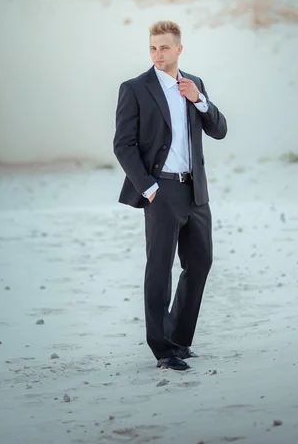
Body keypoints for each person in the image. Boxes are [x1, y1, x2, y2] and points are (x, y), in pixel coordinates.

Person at [113, 20, 227, 371]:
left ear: (179, 49)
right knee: (159, 269)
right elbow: (123, 145)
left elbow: (219, 130)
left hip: (196, 189)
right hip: (161, 190)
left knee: (200, 262)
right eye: (152, 47)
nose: (157, 54)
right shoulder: (135, 88)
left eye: (164, 47)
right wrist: (148, 188)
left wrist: (200, 100)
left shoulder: (194, 84)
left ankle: (179, 339)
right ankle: (163, 350)